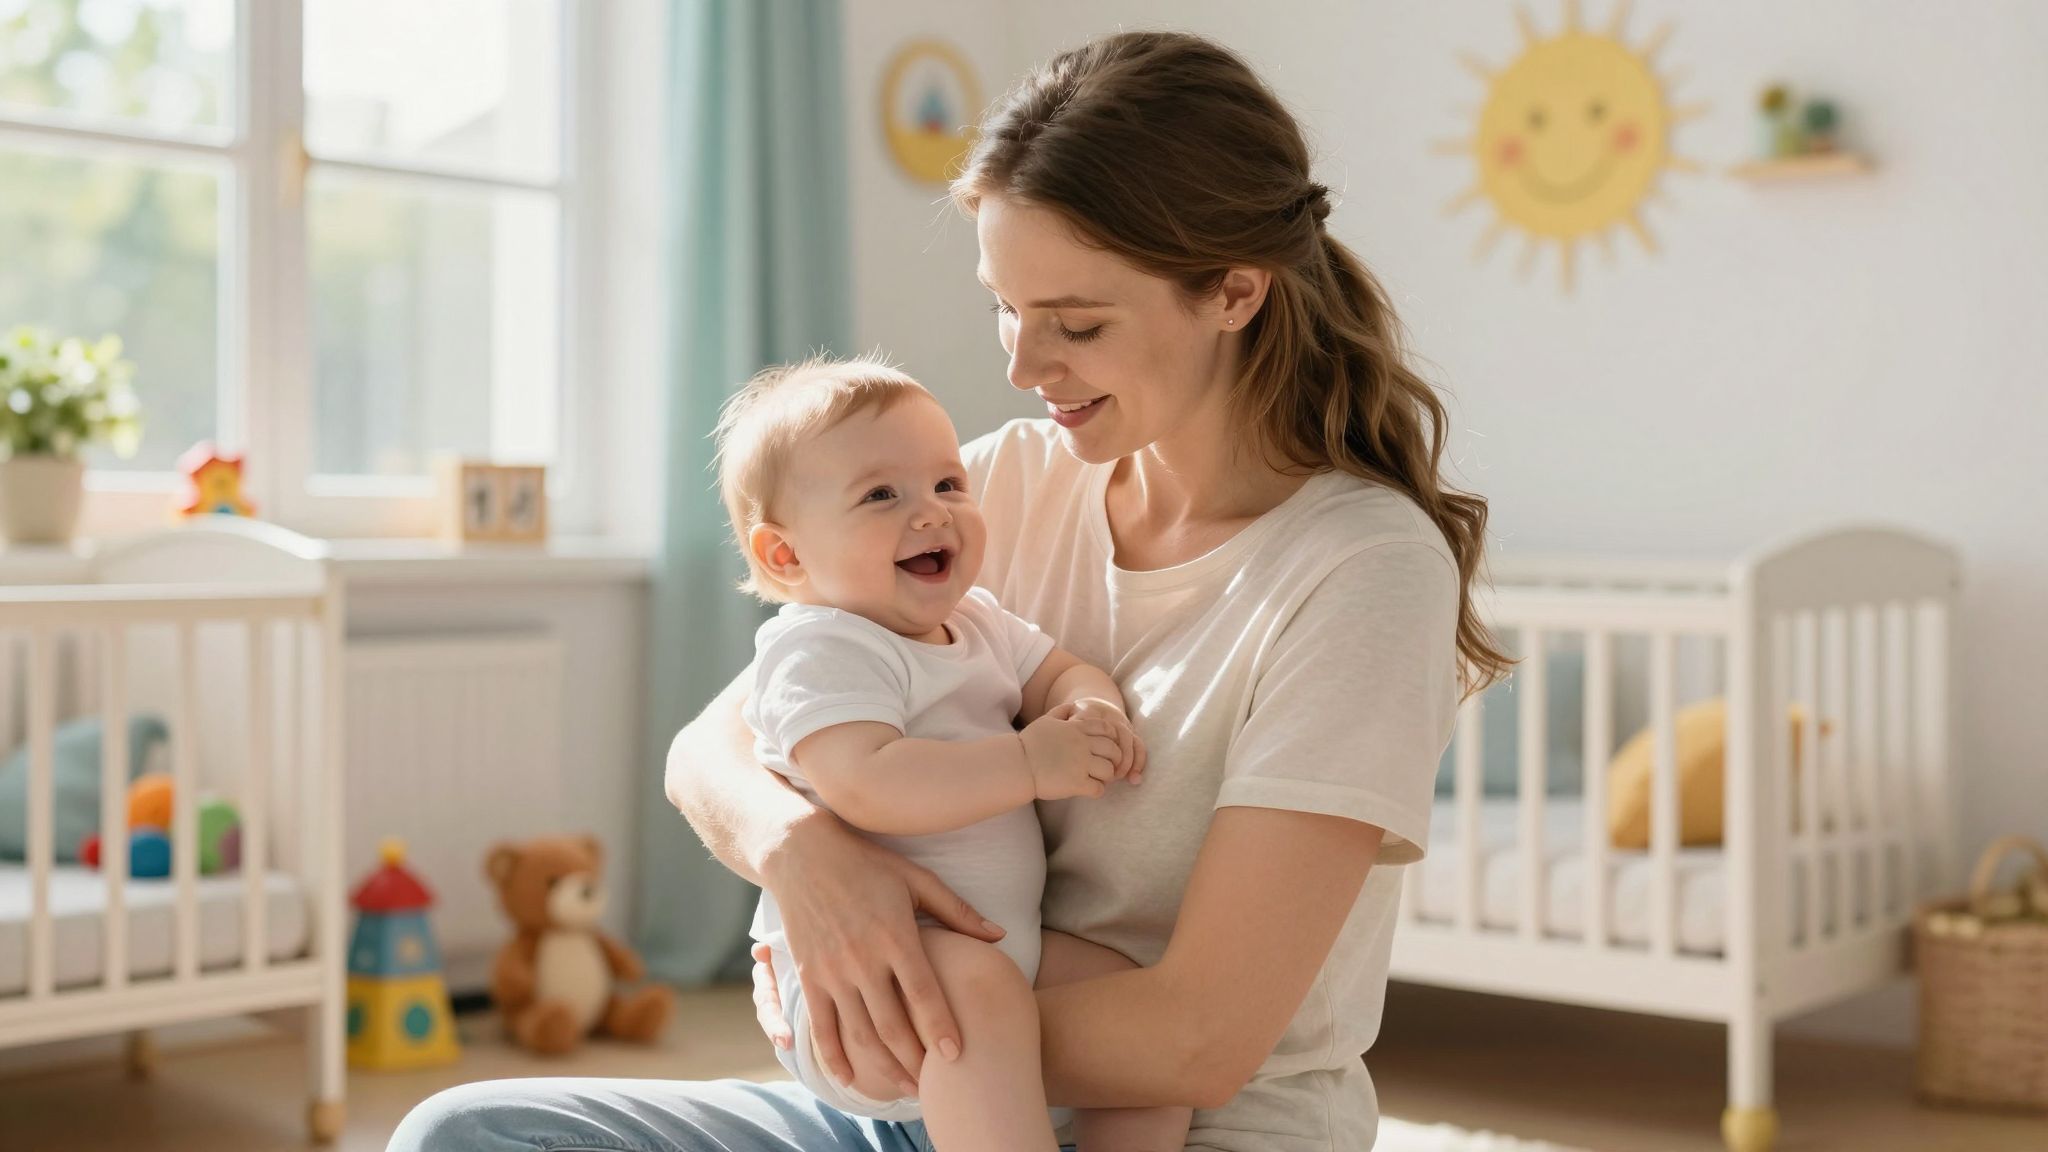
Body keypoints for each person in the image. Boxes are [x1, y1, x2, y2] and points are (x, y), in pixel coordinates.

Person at [389, 28, 1506, 1152]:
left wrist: (879, 1019)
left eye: (1076, 324)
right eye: (1003, 308)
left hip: (1174, 1121)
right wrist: (805, 862)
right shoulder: (992, 487)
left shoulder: (1360, 570)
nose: (1022, 365)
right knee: (467, 1133)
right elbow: (711, 748)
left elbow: (1196, 1042)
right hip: (927, 1093)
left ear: (1233, 291)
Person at [714, 355, 1186, 1150]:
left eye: (946, 484)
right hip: (875, 981)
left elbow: (1057, 672)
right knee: (977, 1000)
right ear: (785, 556)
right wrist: (1031, 764)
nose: (931, 513)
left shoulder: (978, 621)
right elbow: (868, 782)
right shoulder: (820, 648)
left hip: (999, 948)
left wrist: (1091, 708)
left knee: (1145, 1025)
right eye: (881, 496)